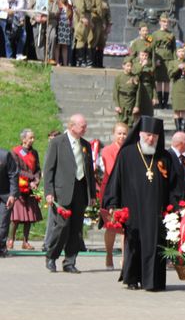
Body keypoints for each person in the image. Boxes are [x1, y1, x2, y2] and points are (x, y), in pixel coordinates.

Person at [102, 116, 178, 291]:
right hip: (133, 208)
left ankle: (154, 281)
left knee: (156, 244)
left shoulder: (165, 157)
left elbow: (175, 185)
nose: (151, 139)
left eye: (155, 136)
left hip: (158, 212)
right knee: (134, 244)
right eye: (148, 135)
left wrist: (174, 207)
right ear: (140, 134)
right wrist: (113, 204)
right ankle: (132, 278)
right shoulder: (127, 154)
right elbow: (116, 181)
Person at [44, 114, 96, 274]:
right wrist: (49, 192)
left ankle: (70, 261)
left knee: (76, 228)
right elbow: (49, 169)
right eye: (82, 126)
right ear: (72, 126)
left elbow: (89, 172)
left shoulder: (86, 145)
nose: (85, 128)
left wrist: (92, 195)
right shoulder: (57, 143)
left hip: (80, 191)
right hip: (62, 192)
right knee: (62, 226)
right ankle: (51, 256)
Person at [98, 122, 128, 269]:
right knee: (111, 226)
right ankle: (109, 255)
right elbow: (111, 169)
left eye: (124, 133)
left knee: (125, 227)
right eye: (119, 133)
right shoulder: (107, 150)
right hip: (110, 190)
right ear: (113, 134)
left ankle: (125, 258)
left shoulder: (130, 150)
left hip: (127, 191)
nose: (122, 136)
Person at [8, 129, 41, 251]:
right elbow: (16, 169)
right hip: (19, 188)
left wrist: (36, 180)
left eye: (33, 137)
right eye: (30, 138)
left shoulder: (35, 153)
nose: (33, 140)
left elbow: (38, 168)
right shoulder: (15, 152)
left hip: (31, 188)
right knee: (15, 217)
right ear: (24, 139)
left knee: (29, 217)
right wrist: (31, 179)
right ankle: (10, 240)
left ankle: (25, 242)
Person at [151, 15, 176, 107]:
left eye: (167, 22)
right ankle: (159, 101)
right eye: (164, 21)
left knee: (166, 81)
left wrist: (174, 62)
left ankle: (165, 102)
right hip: (159, 59)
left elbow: (174, 49)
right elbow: (151, 48)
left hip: (169, 59)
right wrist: (155, 60)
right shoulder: (155, 34)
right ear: (160, 22)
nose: (166, 24)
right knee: (159, 81)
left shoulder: (171, 34)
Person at [168, 45, 185, 132]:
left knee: (184, 110)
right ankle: (178, 129)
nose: (181, 53)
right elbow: (170, 75)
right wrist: (177, 68)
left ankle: (183, 129)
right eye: (179, 51)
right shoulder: (172, 63)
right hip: (177, 87)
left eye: (182, 51)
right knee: (176, 109)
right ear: (176, 53)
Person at [0, 146, 18, 258]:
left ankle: (1, 248)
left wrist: (12, 194)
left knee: (3, 222)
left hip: (5, 194)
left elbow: (13, 175)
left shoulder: (5, 155)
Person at [113, 59, 140, 124]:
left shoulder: (135, 77)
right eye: (128, 66)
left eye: (131, 66)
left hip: (131, 101)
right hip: (122, 101)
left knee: (130, 123)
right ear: (123, 66)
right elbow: (115, 91)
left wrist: (136, 106)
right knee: (121, 122)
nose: (129, 68)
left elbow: (138, 92)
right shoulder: (119, 77)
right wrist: (117, 105)